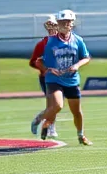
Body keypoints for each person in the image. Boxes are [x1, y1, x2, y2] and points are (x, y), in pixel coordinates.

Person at [41, 10, 93, 144]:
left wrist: (77, 65)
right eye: (62, 22)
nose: (65, 24)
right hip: (55, 79)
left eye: (68, 22)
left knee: (77, 111)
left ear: (72, 24)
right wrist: (49, 69)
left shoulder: (78, 40)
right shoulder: (51, 41)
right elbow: (44, 59)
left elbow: (86, 57)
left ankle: (81, 135)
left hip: (71, 79)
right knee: (58, 105)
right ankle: (46, 123)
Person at [29, 15, 60, 138]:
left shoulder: (64, 42)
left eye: (53, 25)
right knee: (52, 104)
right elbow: (33, 61)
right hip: (47, 78)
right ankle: (50, 127)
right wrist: (44, 70)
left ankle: (39, 119)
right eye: (49, 25)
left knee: (57, 104)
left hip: (61, 78)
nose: (52, 28)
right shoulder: (42, 44)